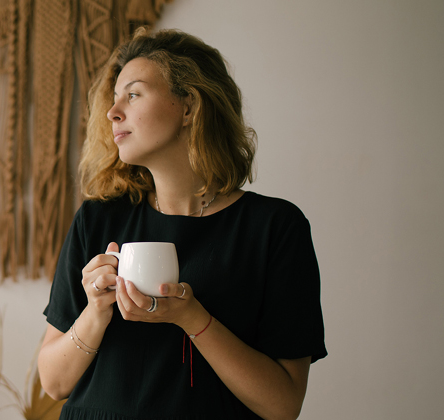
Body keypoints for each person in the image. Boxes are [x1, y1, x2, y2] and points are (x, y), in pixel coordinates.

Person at [37, 28, 326, 420]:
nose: (112, 112)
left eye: (133, 94)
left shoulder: (274, 229)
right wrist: (95, 312)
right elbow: (53, 383)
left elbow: (283, 405)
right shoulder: (97, 220)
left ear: (188, 106)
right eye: (114, 98)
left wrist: (191, 317)